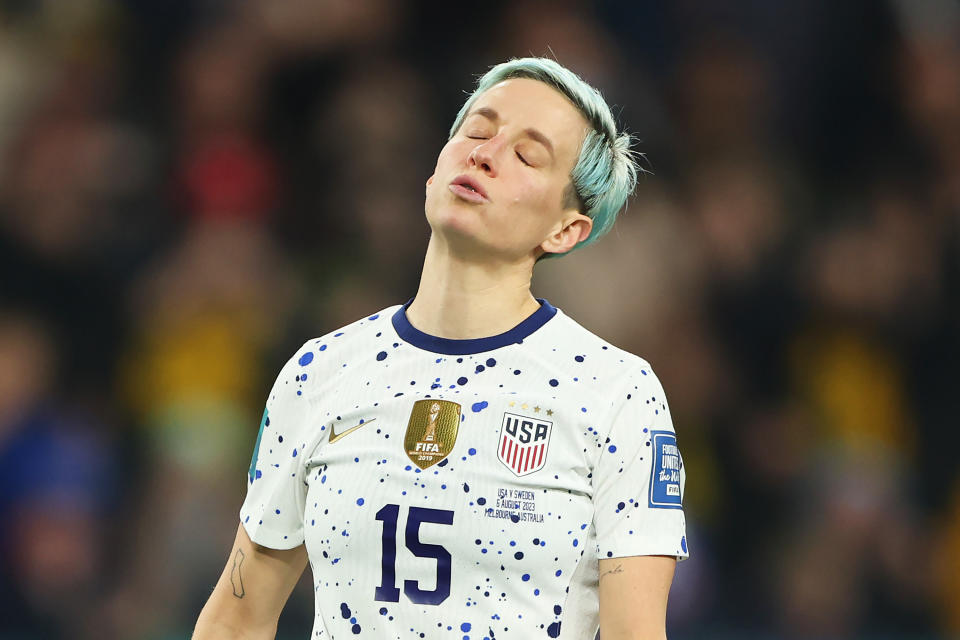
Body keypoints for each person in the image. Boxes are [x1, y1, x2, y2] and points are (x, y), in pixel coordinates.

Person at [193, 57, 688, 640]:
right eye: (477, 132)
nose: (485, 154)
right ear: (434, 171)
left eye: (527, 155)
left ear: (565, 230)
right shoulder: (320, 372)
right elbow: (237, 618)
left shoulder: (614, 392)